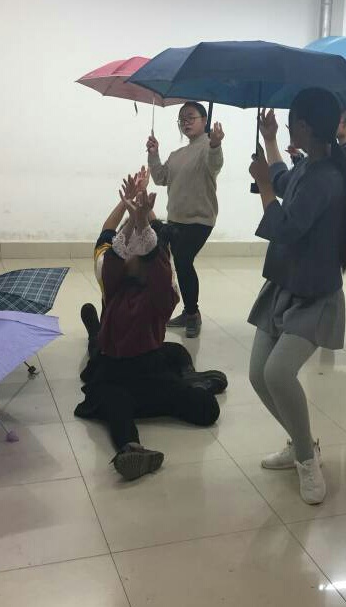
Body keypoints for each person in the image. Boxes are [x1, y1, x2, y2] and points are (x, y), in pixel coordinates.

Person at [247, 88, 346, 505]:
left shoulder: (327, 177)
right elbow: (282, 177)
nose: (287, 127)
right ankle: (302, 444)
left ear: (307, 126)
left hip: (313, 293)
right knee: (258, 375)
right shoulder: (309, 165)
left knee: (278, 374)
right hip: (283, 284)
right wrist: (270, 142)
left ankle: (306, 460)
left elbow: (287, 227)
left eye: (290, 122)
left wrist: (263, 185)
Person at [75, 171, 227, 481]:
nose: (127, 253)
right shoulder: (116, 281)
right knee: (114, 396)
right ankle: (131, 448)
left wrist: (141, 218)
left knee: (203, 400)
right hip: (117, 374)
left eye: (135, 250)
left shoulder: (158, 293)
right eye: (126, 249)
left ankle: (187, 379)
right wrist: (134, 215)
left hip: (147, 373)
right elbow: (114, 244)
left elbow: (156, 253)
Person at [289, 110, 346, 324]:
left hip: (343, 209)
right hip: (333, 209)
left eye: (338, 120)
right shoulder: (334, 148)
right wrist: (299, 157)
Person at [147, 102, 225, 338]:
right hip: (176, 219)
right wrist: (154, 154)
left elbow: (215, 163)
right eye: (182, 119)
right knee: (176, 264)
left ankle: (192, 314)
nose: (186, 122)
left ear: (204, 121)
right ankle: (186, 311)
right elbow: (160, 178)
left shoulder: (208, 148)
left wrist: (216, 144)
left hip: (200, 219)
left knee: (183, 260)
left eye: (191, 117)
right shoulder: (177, 155)